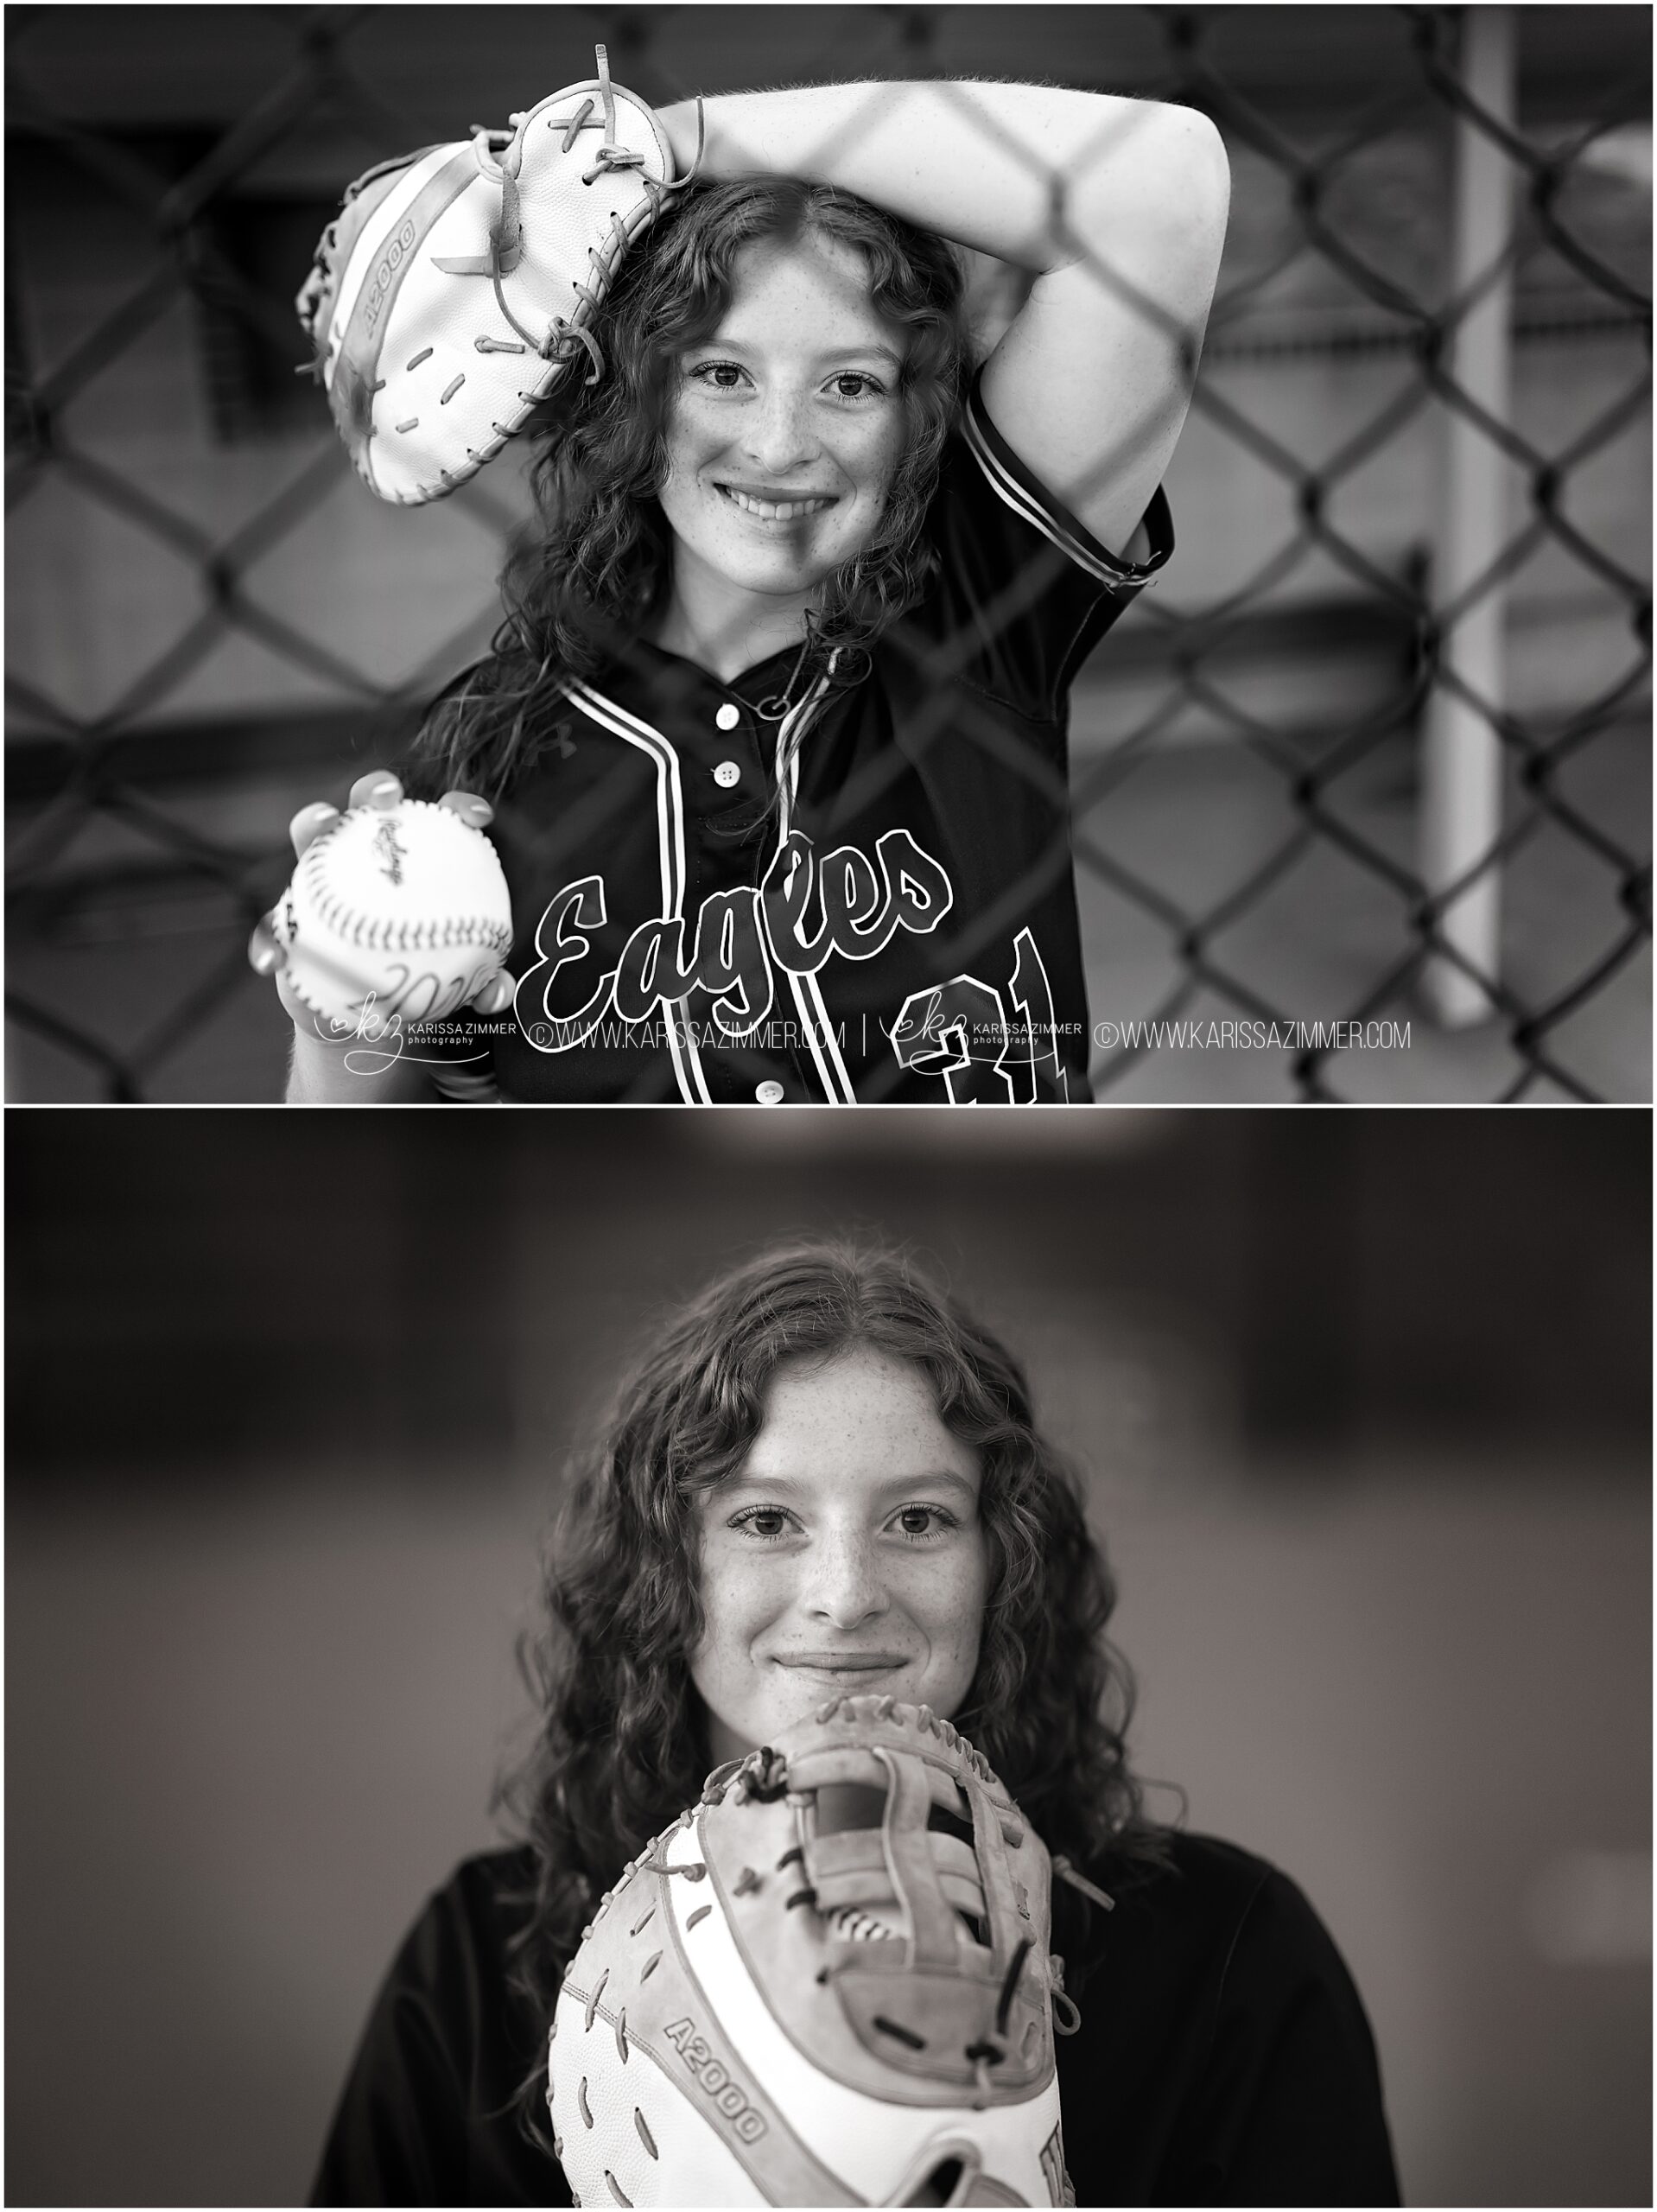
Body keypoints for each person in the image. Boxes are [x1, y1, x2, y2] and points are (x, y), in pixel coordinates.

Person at [311, 1243, 1400, 2206]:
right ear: (663, 1567)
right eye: (765, 1519)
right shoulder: (480, 1962)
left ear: (1002, 1562)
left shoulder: (1228, 1956)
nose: (844, 1594)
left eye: (918, 1518)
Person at [253, 73, 1228, 1103]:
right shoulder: (484, 764)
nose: (778, 445)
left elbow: (1162, 186)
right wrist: (335, 1014)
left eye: (850, 384)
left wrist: (661, 142)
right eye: (722, 372)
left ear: (915, 420)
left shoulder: (977, 611)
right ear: (638, 396)